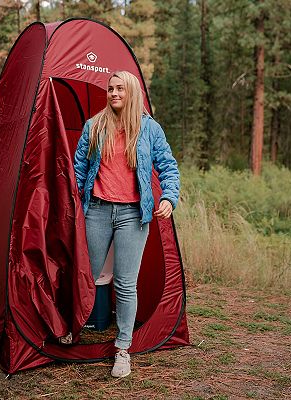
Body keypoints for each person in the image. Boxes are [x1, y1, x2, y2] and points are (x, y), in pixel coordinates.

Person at [73, 70, 180, 378]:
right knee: (86, 275)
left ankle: (122, 349)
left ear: (132, 92)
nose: (114, 93)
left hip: (134, 215)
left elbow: (168, 167)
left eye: (120, 88)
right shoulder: (94, 126)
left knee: (125, 283)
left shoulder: (149, 129)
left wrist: (169, 198)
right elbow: (79, 169)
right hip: (97, 211)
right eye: (110, 89)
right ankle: (71, 328)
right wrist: (76, 206)